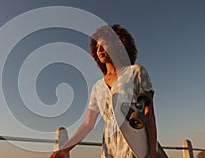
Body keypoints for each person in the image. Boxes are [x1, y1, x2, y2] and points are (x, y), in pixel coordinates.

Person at [49, 24, 157, 158]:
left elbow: (149, 113)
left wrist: (152, 151)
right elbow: (88, 124)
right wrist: (64, 149)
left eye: (104, 44)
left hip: (135, 146)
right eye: (97, 47)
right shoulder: (97, 87)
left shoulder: (136, 72)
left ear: (118, 45)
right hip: (109, 150)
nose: (99, 49)